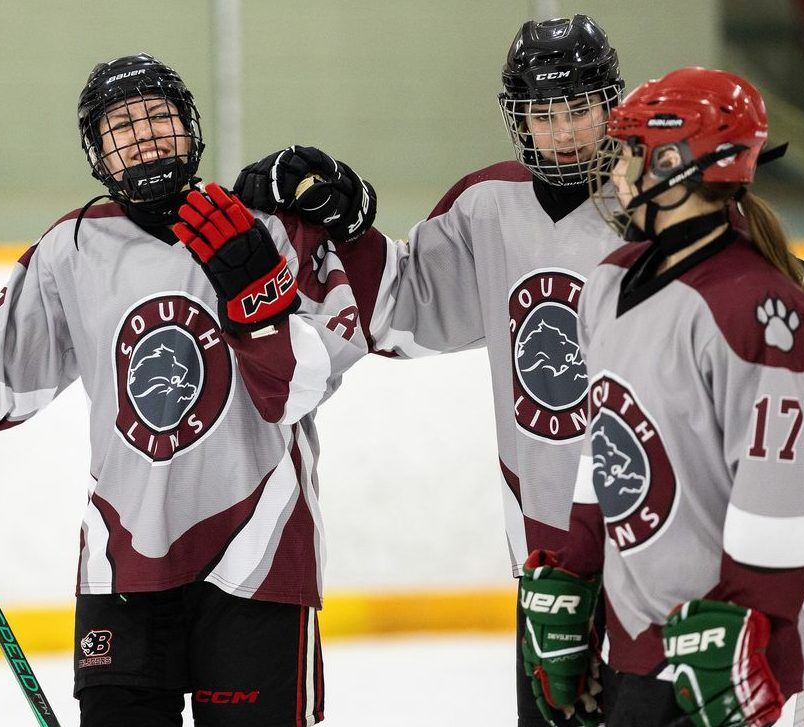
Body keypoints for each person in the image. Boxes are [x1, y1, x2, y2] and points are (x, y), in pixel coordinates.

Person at [0, 52, 377, 727]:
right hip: (122, 567)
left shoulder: (260, 227)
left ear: (191, 129)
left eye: (158, 118)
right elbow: (1, 355)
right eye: (121, 127)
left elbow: (315, 367)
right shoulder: (75, 246)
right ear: (97, 153)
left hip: (259, 553)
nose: (144, 136)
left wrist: (325, 222)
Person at [236, 15, 626, 726]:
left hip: (664, 551)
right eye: (544, 112)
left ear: (611, 106)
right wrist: (344, 217)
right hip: (548, 565)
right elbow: (405, 308)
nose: (564, 130)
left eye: (578, 109)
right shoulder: (489, 206)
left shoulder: (654, 203)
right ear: (519, 119)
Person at [519, 67, 804, 726]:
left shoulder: (759, 304)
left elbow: (779, 491)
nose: (617, 174)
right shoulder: (607, 282)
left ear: (677, 162)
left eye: (631, 153)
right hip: (635, 644)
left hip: (718, 652)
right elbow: (602, 446)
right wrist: (577, 572)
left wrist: (754, 634)